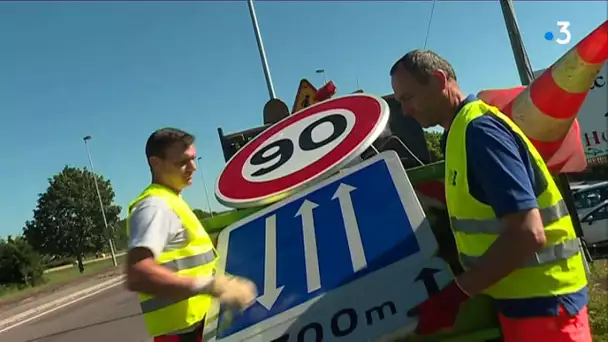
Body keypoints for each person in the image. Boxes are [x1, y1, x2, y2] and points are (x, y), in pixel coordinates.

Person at [390, 50, 591, 341]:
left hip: (547, 306)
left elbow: (527, 233)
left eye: (407, 99)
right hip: (526, 303)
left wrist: (455, 295)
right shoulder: (460, 131)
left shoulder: (480, 131)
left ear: (437, 80)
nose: (405, 111)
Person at [125, 127, 258, 342]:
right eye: (182, 162)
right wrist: (210, 286)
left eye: (193, 159)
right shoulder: (155, 205)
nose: (193, 167)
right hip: (185, 335)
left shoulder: (173, 202)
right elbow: (138, 273)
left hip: (200, 329)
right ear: (155, 163)